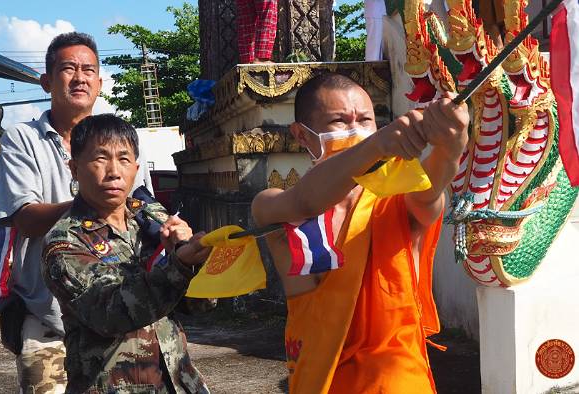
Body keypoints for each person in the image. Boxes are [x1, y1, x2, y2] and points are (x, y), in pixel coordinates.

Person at [251, 73, 469, 393]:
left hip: (396, 377)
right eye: (339, 121)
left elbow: (428, 193)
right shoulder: (274, 206)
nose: (357, 130)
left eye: (366, 120)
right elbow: (306, 201)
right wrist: (376, 145)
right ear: (301, 135)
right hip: (322, 378)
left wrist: (451, 148)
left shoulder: (397, 199)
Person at [0, 32, 152, 393]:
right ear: (47, 80)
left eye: (89, 70)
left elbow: (143, 211)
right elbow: (26, 218)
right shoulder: (22, 139)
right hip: (49, 317)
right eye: (68, 68)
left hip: (120, 310)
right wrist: (93, 202)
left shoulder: (120, 139)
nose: (80, 77)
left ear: (99, 82)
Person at [42, 114, 210, 393]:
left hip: (180, 384)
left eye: (123, 159)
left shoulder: (149, 216)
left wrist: (196, 259)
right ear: (74, 168)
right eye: (100, 159)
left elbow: (197, 305)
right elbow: (111, 313)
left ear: (136, 167)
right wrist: (179, 265)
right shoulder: (64, 242)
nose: (113, 172)